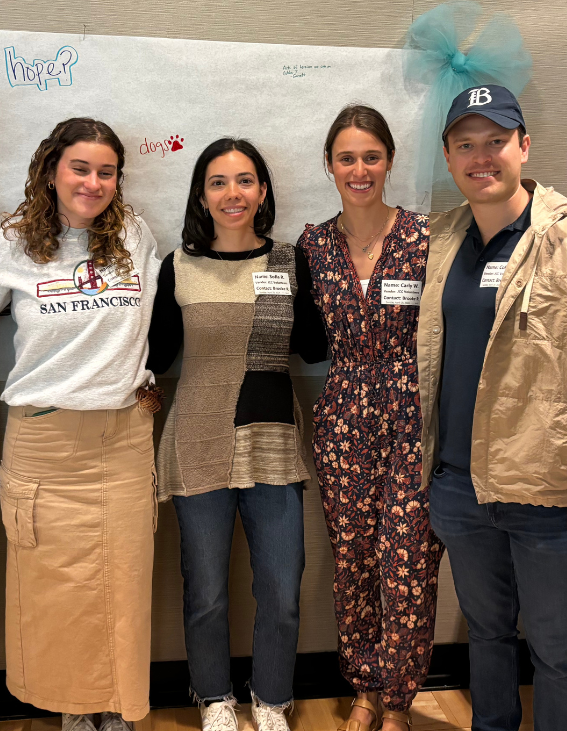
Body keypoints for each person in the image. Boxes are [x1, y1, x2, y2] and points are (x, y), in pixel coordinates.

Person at [419, 84, 567, 731]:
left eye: (496, 141)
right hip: (460, 490)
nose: (481, 157)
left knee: (557, 654)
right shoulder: (441, 242)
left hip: (550, 495)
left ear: (524, 145)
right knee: (487, 639)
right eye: (466, 144)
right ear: (448, 156)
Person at [0, 117, 161, 731]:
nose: (93, 181)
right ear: (52, 169)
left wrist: (147, 381)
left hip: (123, 441)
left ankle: (118, 707)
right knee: (57, 590)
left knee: (124, 586)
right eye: (80, 168)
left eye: (106, 171)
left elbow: (159, 320)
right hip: (44, 442)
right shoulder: (12, 243)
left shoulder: (133, 235)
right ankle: (74, 710)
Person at [147, 138, 327, 731]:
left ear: (264, 191)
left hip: (272, 438)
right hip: (197, 439)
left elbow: (316, 347)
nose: (233, 194)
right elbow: (154, 353)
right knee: (205, 589)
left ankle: (273, 697)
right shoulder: (177, 266)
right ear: (202, 194)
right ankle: (214, 697)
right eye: (219, 182)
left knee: (281, 586)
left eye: (245, 180)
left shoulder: (289, 262)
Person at [298, 106, 443, 731]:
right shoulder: (312, 244)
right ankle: (362, 689)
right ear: (329, 166)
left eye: (372, 156)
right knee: (353, 560)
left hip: (413, 417)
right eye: (346, 158)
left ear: (389, 161)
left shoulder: (425, 237)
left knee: (407, 561)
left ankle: (397, 699)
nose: (360, 170)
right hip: (341, 420)